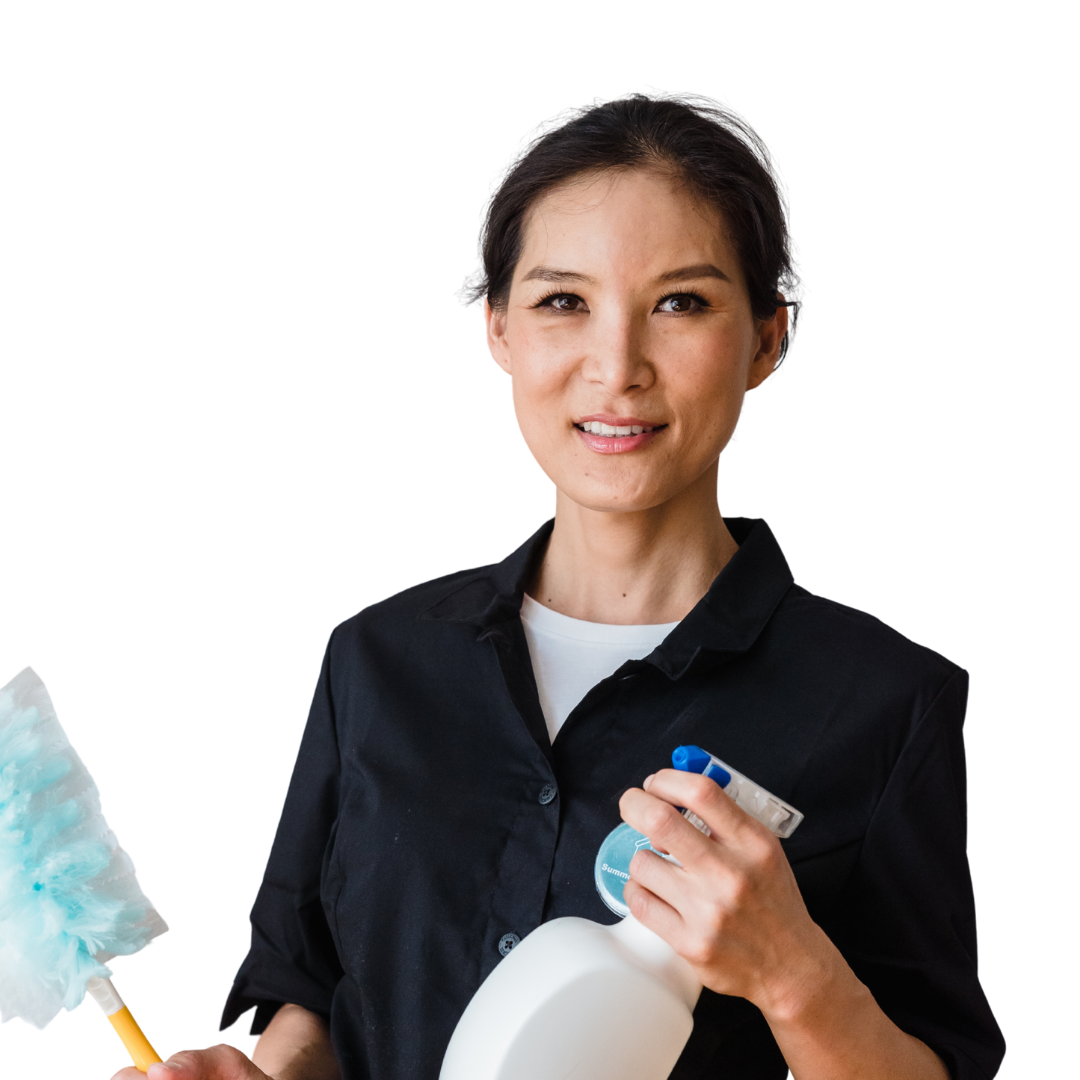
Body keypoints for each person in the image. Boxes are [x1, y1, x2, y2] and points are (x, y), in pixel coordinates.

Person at [112, 95, 1004, 1080]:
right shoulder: (380, 659)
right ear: (499, 329)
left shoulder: (879, 702)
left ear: (765, 340)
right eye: (562, 302)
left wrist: (794, 977)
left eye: (681, 302)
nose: (614, 368)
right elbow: (313, 1004)